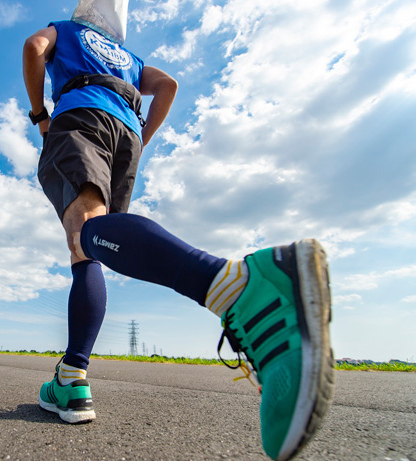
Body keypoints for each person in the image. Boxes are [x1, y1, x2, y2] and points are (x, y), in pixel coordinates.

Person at [22, 1, 334, 460]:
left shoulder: (67, 31)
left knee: (84, 231)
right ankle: (71, 377)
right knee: (93, 244)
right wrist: (141, 136)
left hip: (81, 114)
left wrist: (39, 115)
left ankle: (238, 286)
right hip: (125, 129)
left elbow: (34, 47)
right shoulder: (129, 58)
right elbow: (168, 85)